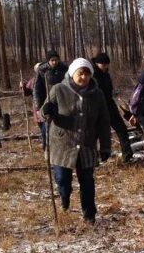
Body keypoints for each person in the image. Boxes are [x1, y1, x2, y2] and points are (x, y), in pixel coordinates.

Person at [40, 58, 111, 224]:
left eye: (87, 73)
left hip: (86, 145)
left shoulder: (97, 94)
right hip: (62, 144)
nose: (84, 77)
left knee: (87, 181)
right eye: (81, 73)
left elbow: (103, 121)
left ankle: (89, 215)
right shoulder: (58, 89)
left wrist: (106, 146)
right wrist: (47, 110)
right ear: (73, 73)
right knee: (63, 180)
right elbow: (44, 114)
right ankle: (65, 199)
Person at [92, 52, 133, 162]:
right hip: (97, 108)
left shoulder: (106, 74)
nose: (106, 66)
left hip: (110, 106)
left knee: (122, 129)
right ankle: (93, 158)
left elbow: (109, 91)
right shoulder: (91, 75)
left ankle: (127, 155)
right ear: (97, 63)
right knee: (95, 133)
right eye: (103, 64)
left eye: (107, 64)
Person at [33, 50, 68, 149]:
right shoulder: (42, 70)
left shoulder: (64, 69)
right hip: (47, 102)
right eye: (52, 60)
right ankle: (46, 146)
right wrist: (38, 107)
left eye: (56, 60)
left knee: (62, 125)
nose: (54, 62)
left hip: (62, 101)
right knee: (46, 127)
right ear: (48, 61)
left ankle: (61, 146)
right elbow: (37, 89)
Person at [21, 63, 46, 149]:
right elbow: (26, 92)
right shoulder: (33, 81)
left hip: (49, 107)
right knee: (43, 128)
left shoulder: (49, 78)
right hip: (38, 108)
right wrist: (23, 86)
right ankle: (45, 146)